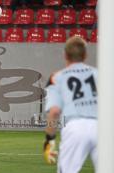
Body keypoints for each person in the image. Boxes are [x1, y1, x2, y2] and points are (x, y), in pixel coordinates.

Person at [43, 36, 97, 173]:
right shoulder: (100, 74)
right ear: (85, 55)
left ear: (65, 55)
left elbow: (54, 112)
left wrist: (49, 140)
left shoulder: (57, 77)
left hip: (75, 127)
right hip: (101, 128)